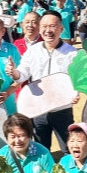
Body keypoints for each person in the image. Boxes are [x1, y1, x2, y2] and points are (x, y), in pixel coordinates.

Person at [11, 11, 79, 150]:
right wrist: (14, 72)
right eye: (44, 26)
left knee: (68, 148)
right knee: (40, 149)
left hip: (62, 110)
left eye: (53, 26)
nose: (48, 30)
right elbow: (23, 73)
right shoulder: (33, 51)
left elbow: (77, 80)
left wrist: (76, 92)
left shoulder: (72, 53)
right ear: (40, 28)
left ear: (61, 28)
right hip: (38, 109)